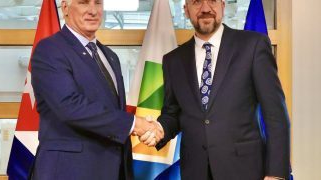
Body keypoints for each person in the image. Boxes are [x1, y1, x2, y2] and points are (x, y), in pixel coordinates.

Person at [140, 0, 290, 179]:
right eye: (196, 2)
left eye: (212, 1)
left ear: (223, 6)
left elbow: (276, 115)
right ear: (186, 10)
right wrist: (159, 128)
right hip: (195, 171)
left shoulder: (253, 46)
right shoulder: (173, 61)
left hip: (245, 170)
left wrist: (276, 174)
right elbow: (174, 113)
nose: (205, 8)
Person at [30, 0, 161, 179]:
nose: (93, 11)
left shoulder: (110, 57)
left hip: (114, 169)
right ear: (65, 7)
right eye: (84, 2)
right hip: (69, 172)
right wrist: (134, 124)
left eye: (98, 3)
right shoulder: (50, 49)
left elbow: (112, 110)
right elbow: (70, 106)